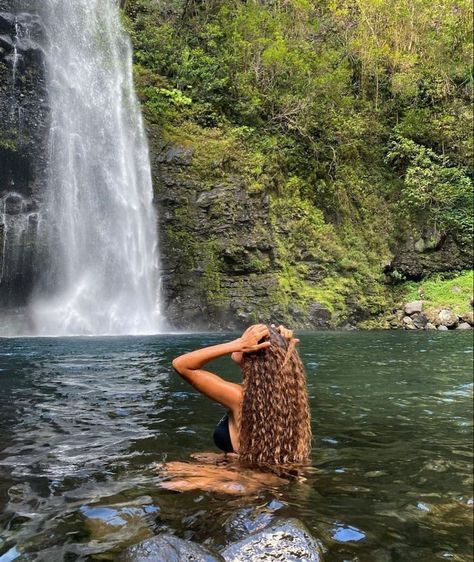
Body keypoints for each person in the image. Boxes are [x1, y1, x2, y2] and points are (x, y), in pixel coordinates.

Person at [172, 324, 311, 467]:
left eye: (245, 339)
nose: (242, 341)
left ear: (254, 351)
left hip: (245, 477)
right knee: (199, 457)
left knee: (169, 471)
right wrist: (281, 344)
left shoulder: (238, 397)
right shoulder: (282, 396)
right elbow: (277, 359)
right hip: (261, 470)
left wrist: (237, 344)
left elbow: (181, 365)